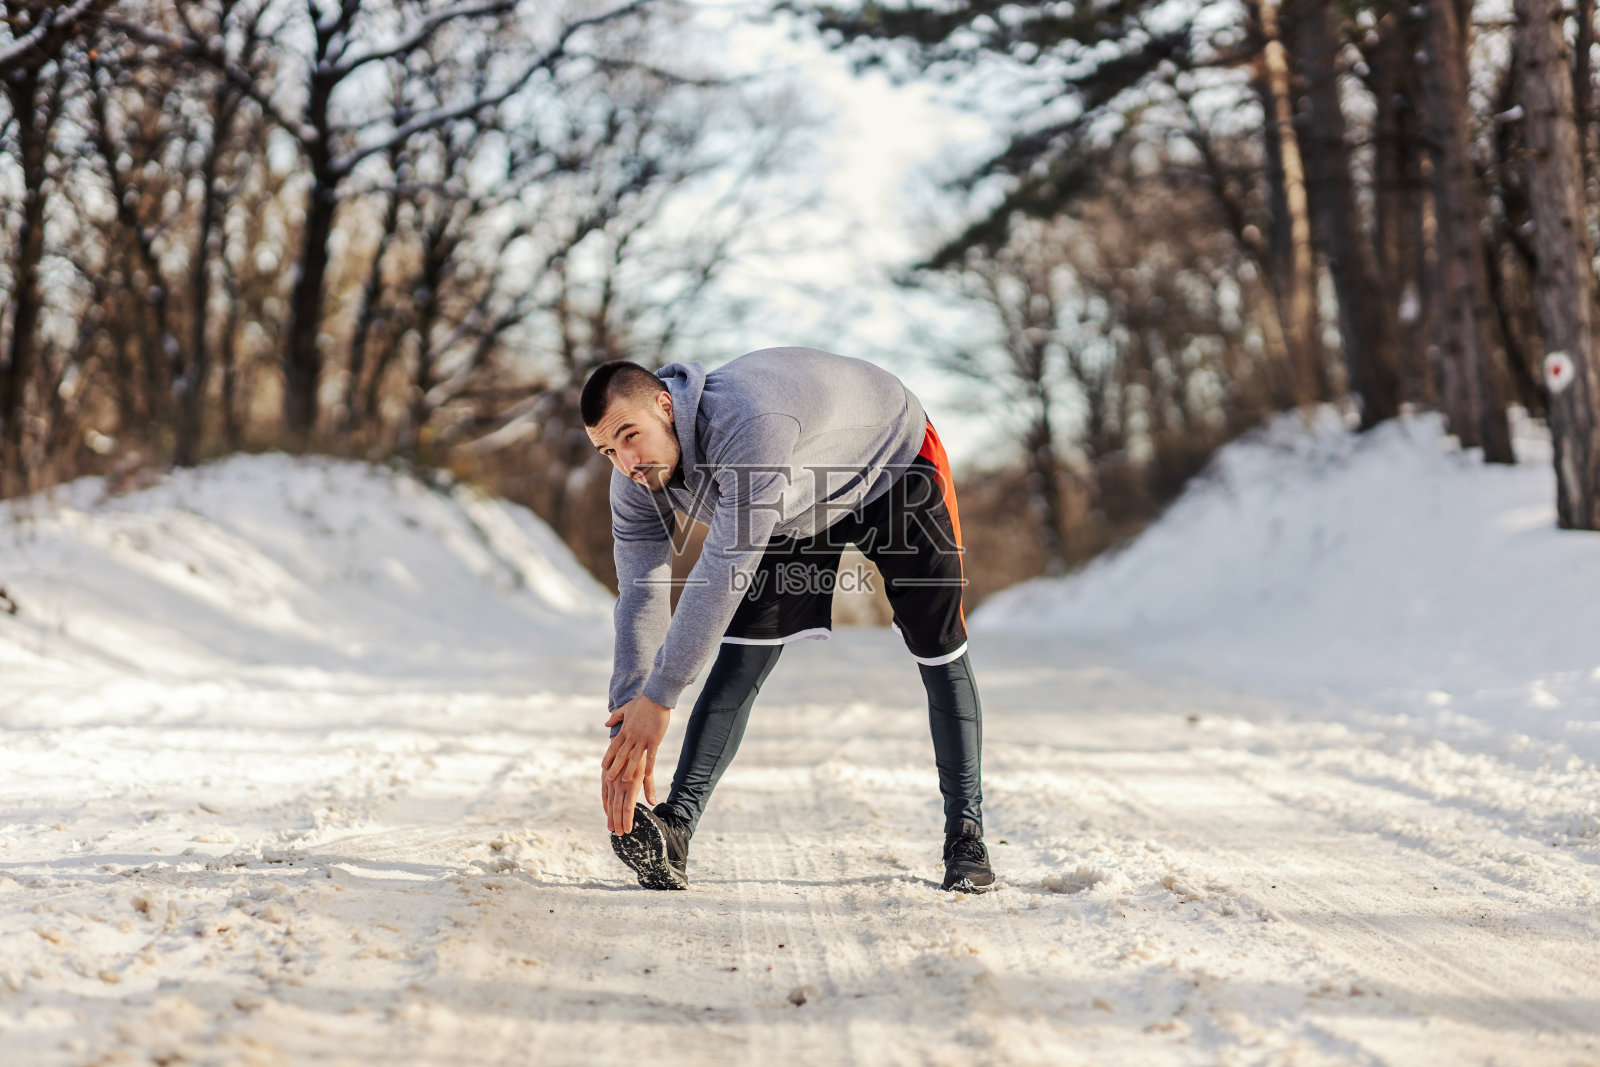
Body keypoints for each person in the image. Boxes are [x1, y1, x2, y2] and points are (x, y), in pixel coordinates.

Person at [583, 347, 995, 893]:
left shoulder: (749, 423)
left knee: (937, 646)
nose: (625, 462)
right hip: (799, 499)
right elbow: (641, 591)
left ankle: (966, 835)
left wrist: (659, 699)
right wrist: (627, 716)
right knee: (742, 651)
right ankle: (676, 827)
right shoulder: (634, 478)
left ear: (665, 406)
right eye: (607, 450)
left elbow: (725, 568)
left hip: (893, 462)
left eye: (630, 436)